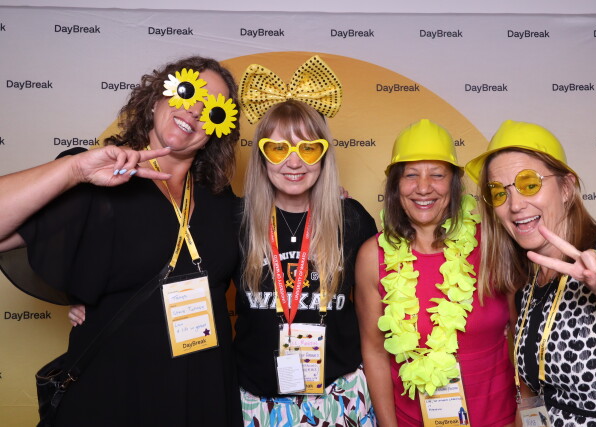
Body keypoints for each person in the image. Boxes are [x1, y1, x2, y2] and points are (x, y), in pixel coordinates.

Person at [0, 56, 243, 426]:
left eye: (212, 109)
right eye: (187, 92)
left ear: (217, 128)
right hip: (113, 391)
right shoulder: (100, 180)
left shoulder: (222, 201)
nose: (195, 110)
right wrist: (74, 170)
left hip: (203, 392)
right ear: (156, 99)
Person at [465, 119, 596, 425]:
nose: (515, 205)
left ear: (566, 188)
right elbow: (532, 395)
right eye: (499, 193)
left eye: (529, 184)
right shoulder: (528, 280)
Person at [233, 56, 378, 426]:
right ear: (262, 156)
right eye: (279, 149)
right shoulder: (235, 220)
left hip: (338, 397)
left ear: (324, 155)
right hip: (258, 402)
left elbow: (383, 309)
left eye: (308, 148)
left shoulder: (352, 219)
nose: (294, 162)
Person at [355, 119, 516, 427]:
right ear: (396, 186)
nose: (423, 187)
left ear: (454, 183)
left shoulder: (494, 244)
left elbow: (521, 335)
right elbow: (374, 352)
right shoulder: (372, 256)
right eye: (411, 175)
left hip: (499, 419)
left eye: (437, 174)